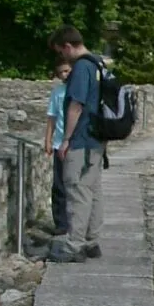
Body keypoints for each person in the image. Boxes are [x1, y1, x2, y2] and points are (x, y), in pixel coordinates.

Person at [47, 25, 104, 263]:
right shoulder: (99, 63)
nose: (63, 58)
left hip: (81, 139)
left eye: (61, 52)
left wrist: (66, 140)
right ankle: (92, 240)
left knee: (77, 190)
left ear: (68, 46)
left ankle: (74, 245)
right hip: (97, 138)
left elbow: (75, 105)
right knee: (93, 190)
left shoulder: (81, 68)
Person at [43, 59, 71, 236]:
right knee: (59, 184)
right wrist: (48, 140)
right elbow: (52, 118)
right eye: (62, 72)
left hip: (76, 144)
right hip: (59, 142)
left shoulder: (79, 89)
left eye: (68, 71)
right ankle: (61, 222)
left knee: (75, 185)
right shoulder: (57, 92)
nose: (65, 75)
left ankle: (76, 221)